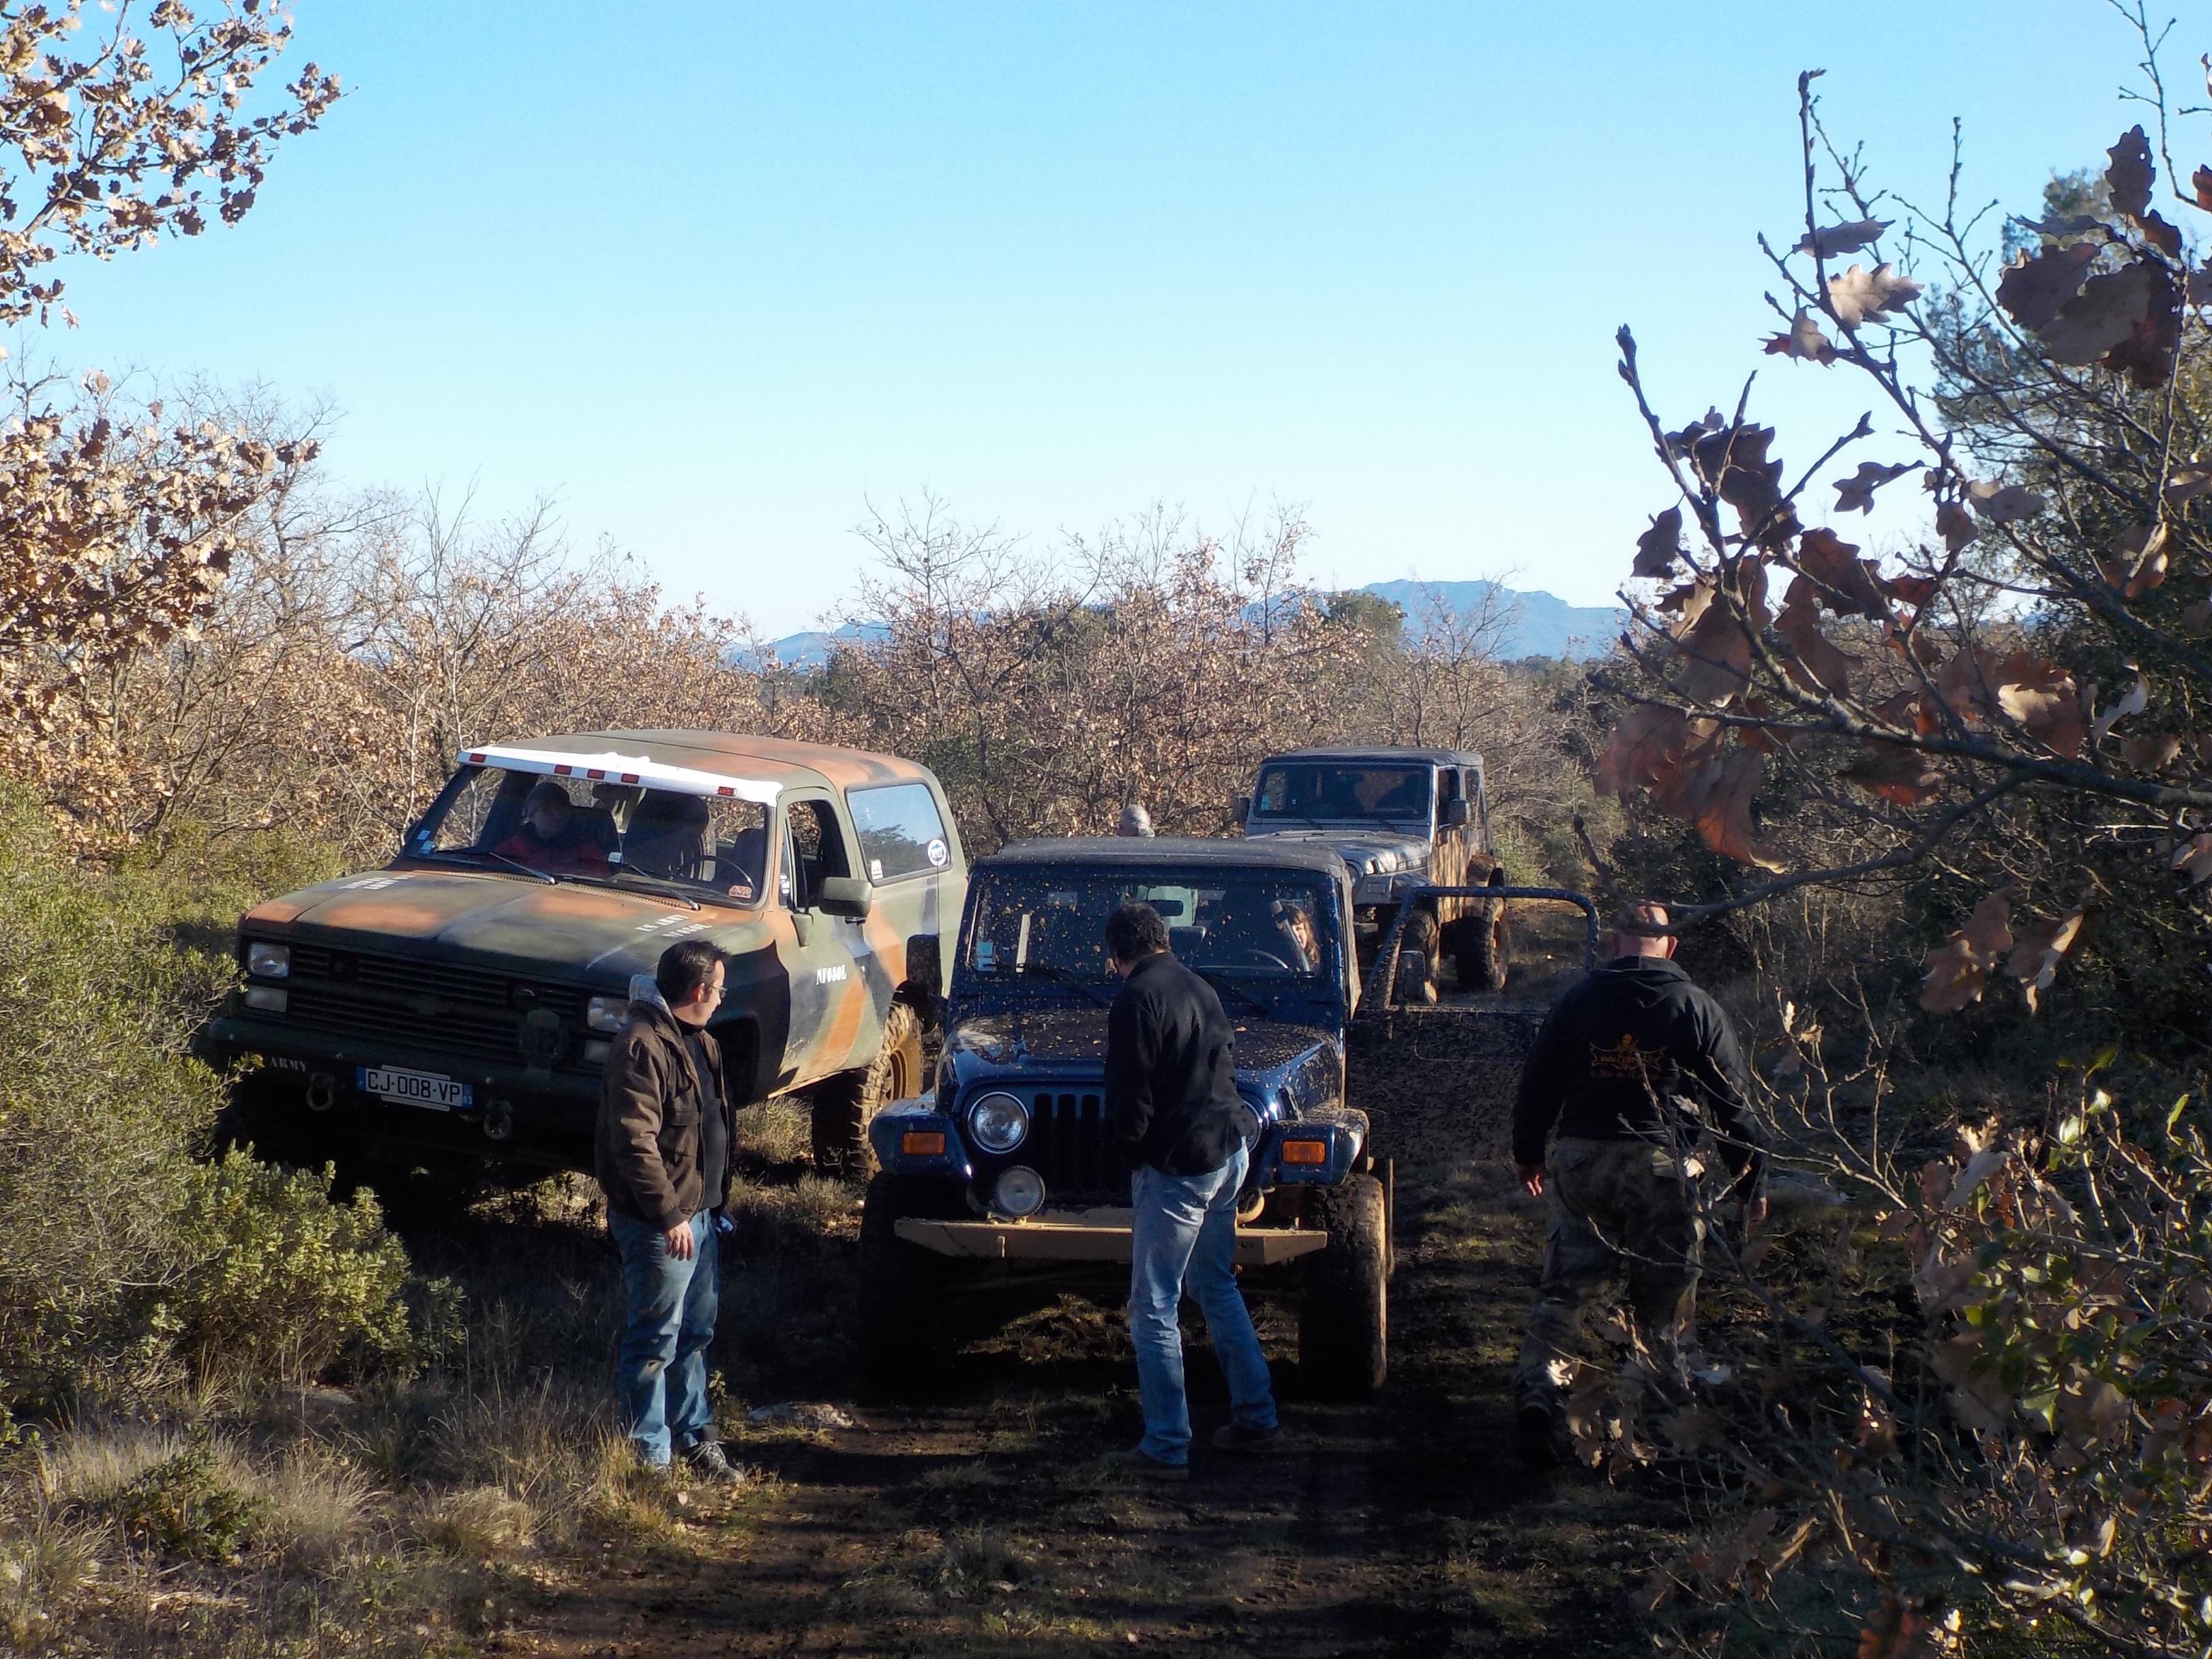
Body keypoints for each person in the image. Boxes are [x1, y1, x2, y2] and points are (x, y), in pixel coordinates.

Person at [1509, 901, 1765, 1465]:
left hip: (1584, 1161)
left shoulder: (1578, 1001)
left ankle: (1542, 1391)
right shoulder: (1695, 1005)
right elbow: (1732, 1105)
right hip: (1665, 1166)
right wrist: (1751, 1182)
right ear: (1670, 946)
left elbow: (1537, 1085)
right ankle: (1667, 1417)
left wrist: (1528, 1154)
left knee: (1567, 1289)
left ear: (1614, 942)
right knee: (1665, 1301)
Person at [1103, 900, 1280, 1479]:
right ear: (1164, 939)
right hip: (1228, 1153)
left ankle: (1166, 1443)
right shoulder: (1200, 986)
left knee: (1153, 1305)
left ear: (1117, 954)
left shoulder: (1136, 998)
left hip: (1179, 1165)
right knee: (1214, 1284)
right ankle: (1256, 1415)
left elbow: (1131, 1094)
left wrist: (1128, 1155)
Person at [594, 939, 742, 1480]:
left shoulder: (703, 1043)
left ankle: (695, 1437)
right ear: (699, 990)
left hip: (701, 1217)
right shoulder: (641, 1046)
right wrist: (670, 1215)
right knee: (655, 1339)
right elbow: (634, 1142)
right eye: (719, 990)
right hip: (663, 1225)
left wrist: (714, 1205)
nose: (722, 998)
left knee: (696, 1334)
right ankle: (649, 1457)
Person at [494, 779, 609, 875]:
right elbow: (493, 872)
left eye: (562, 809)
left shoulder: (585, 850)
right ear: (531, 816)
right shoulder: (512, 848)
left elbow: (599, 878)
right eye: (547, 811)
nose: (557, 816)